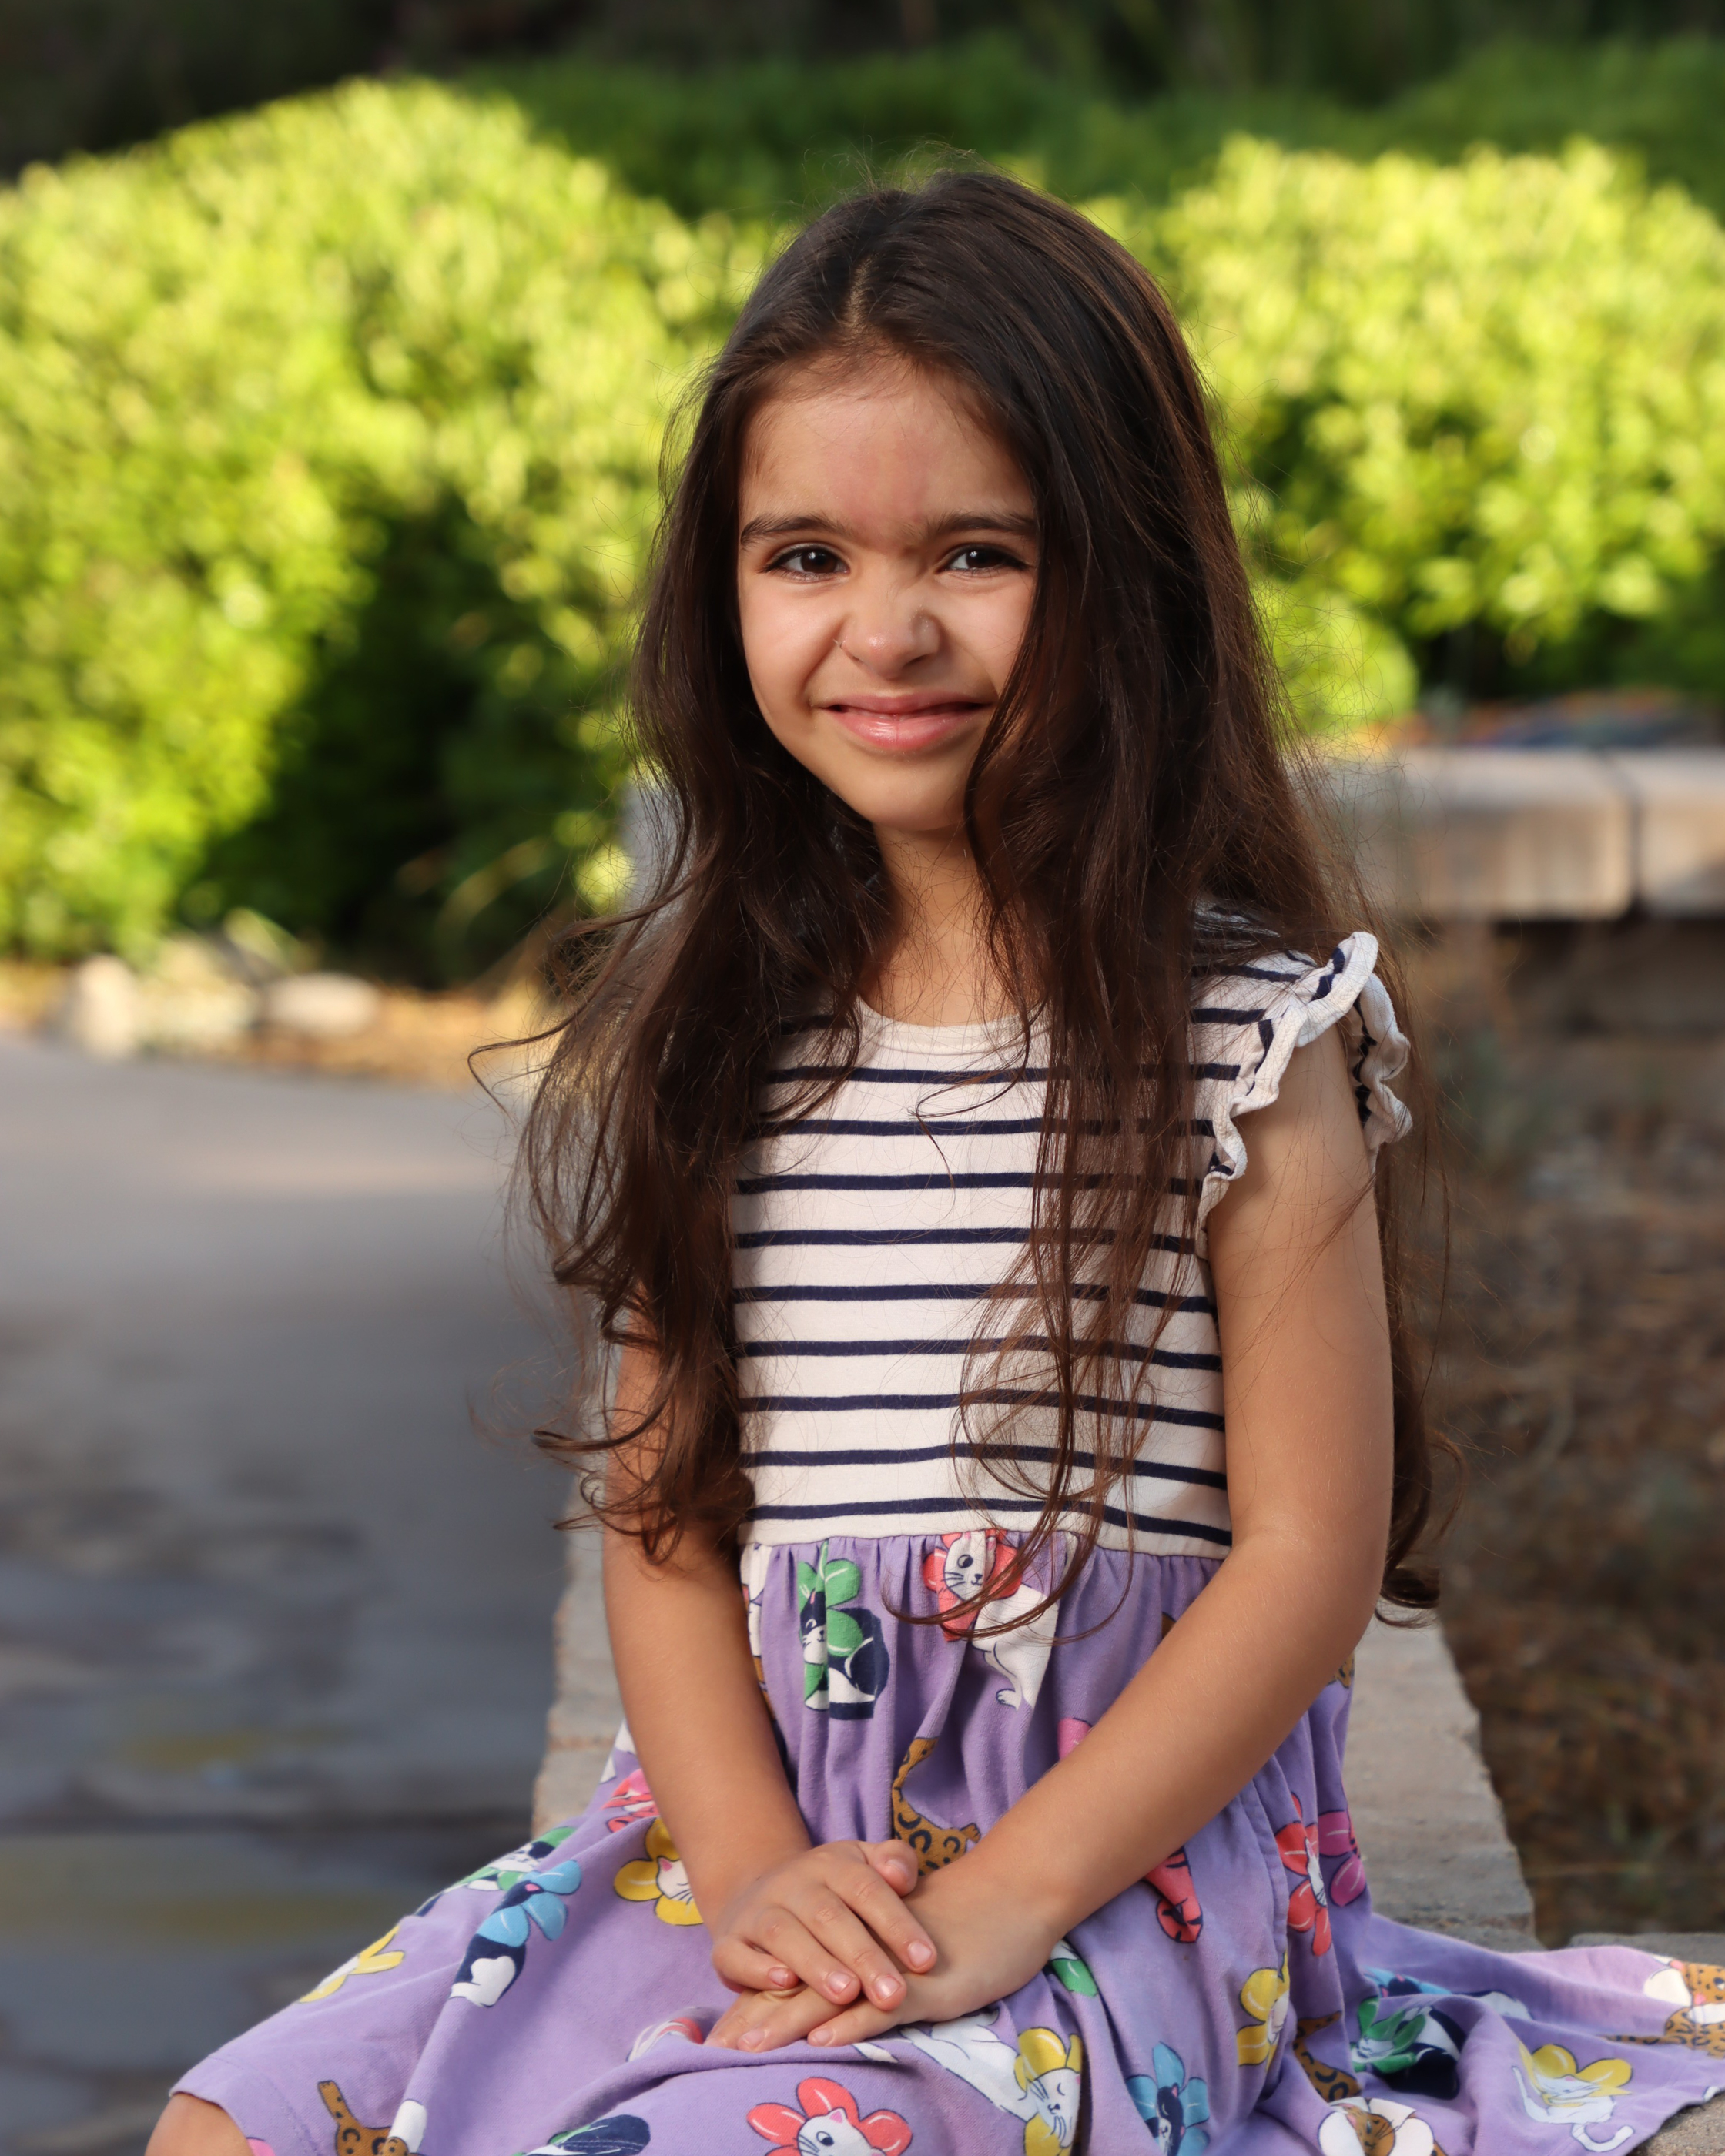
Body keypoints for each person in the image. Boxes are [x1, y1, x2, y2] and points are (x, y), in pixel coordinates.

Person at [152, 171, 1723, 2156]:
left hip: (1109, 1871)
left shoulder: (1246, 1037)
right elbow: (665, 1524)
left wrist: (1009, 1894)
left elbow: (1308, 1558)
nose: (885, 631)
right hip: (745, 1850)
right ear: (722, 591)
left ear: (1129, 577)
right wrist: (748, 1870)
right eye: (804, 555)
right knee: (233, 2125)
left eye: (979, 553)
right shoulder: (707, 1030)